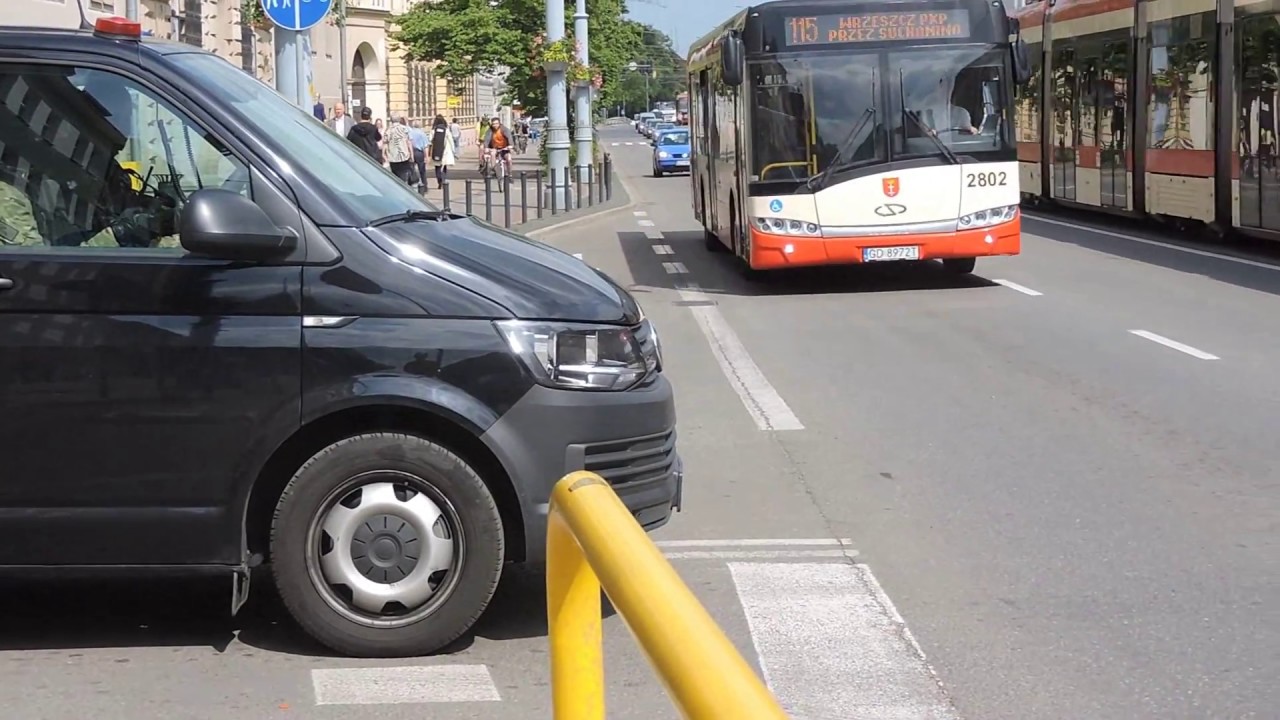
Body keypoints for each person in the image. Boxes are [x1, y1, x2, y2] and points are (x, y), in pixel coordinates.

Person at [909, 80, 979, 137]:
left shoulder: (961, 113)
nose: (945, 89)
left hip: (957, 152)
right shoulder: (921, 113)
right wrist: (928, 135)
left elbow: (966, 138)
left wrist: (972, 132)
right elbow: (918, 139)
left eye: (948, 85)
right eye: (940, 84)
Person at [481, 115, 513, 186]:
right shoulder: (490, 130)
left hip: (505, 148)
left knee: (509, 159)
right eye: (493, 124)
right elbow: (487, 139)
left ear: (499, 123)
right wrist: (486, 147)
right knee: (492, 154)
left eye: (496, 123)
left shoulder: (504, 129)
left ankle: (510, 175)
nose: (495, 125)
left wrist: (510, 145)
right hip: (494, 148)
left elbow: (509, 137)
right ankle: (494, 169)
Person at [385, 115, 417, 184]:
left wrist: (385, 155)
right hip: (404, 156)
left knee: (395, 176)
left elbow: (385, 143)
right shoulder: (404, 129)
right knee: (403, 175)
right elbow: (409, 142)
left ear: (391, 120)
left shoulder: (388, 130)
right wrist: (412, 155)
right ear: (399, 120)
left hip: (393, 157)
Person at [429, 114, 456, 189]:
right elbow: (451, 140)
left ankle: (439, 180)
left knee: (437, 167)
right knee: (444, 166)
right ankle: (443, 179)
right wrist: (453, 151)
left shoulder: (433, 130)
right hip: (445, 151)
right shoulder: (446, 130)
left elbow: (430, 140)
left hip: (436, 150)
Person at [409, 119, 430, 193]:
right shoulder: (422, 133)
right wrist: (426, 156)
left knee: (411, 170)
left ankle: (411, 185)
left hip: (411, 152)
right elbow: (425, 146)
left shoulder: (410, 132)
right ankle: (424, 187)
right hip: (419, 153)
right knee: (422, 171)